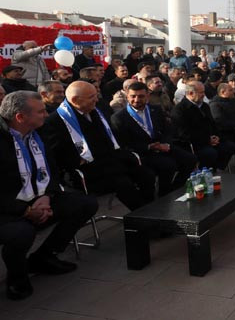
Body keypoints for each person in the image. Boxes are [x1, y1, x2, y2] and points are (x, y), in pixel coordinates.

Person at [0, 91, 98, 301]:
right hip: (7, 209)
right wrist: (26, 211)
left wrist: (48, 196)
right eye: (41, 111)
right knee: (21, 233)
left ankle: (44, 257)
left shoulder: (38, 133)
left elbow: (52, 170)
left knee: (85, 204)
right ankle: (16, 278)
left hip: (38, 198)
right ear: (20, 117)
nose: (46, 115)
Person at [40, 81, 155, 210]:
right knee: (123, 184)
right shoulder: (55, 121)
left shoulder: (96, 111)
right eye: (91, 97)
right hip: (85, 169)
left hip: (109, 160)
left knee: (146, 174)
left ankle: (150, 210)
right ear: (75, 100)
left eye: (95, 95)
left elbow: (109, 139)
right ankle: (143, 217)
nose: (96, 99)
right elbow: (59, 154)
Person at [110, 82, 195, 196]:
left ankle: (174, 189)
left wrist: (166, 144)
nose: (136, 99)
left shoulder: (156, 110)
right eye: (133, 96)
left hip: (162, 146)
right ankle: (164, 195)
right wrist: (149, 147)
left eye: (141, 96)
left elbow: (168, 130)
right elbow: (124, 144)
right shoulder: (119, 118)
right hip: (143, 152)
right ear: (127, 97)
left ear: (148, 96)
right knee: (168, 165)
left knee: (190, 159)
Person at [171, 81, 235, 170]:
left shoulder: (204, 106)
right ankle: (204, 172)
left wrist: (216, 136)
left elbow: (212, 124)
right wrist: (207, 140)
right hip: (194, 144)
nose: (204, 95)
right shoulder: (180, 110)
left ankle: (217, 168)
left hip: (209, 139)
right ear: (191, 93)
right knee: (210, 153)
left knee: (229, 146)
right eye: (201, 92)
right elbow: (184, 133)